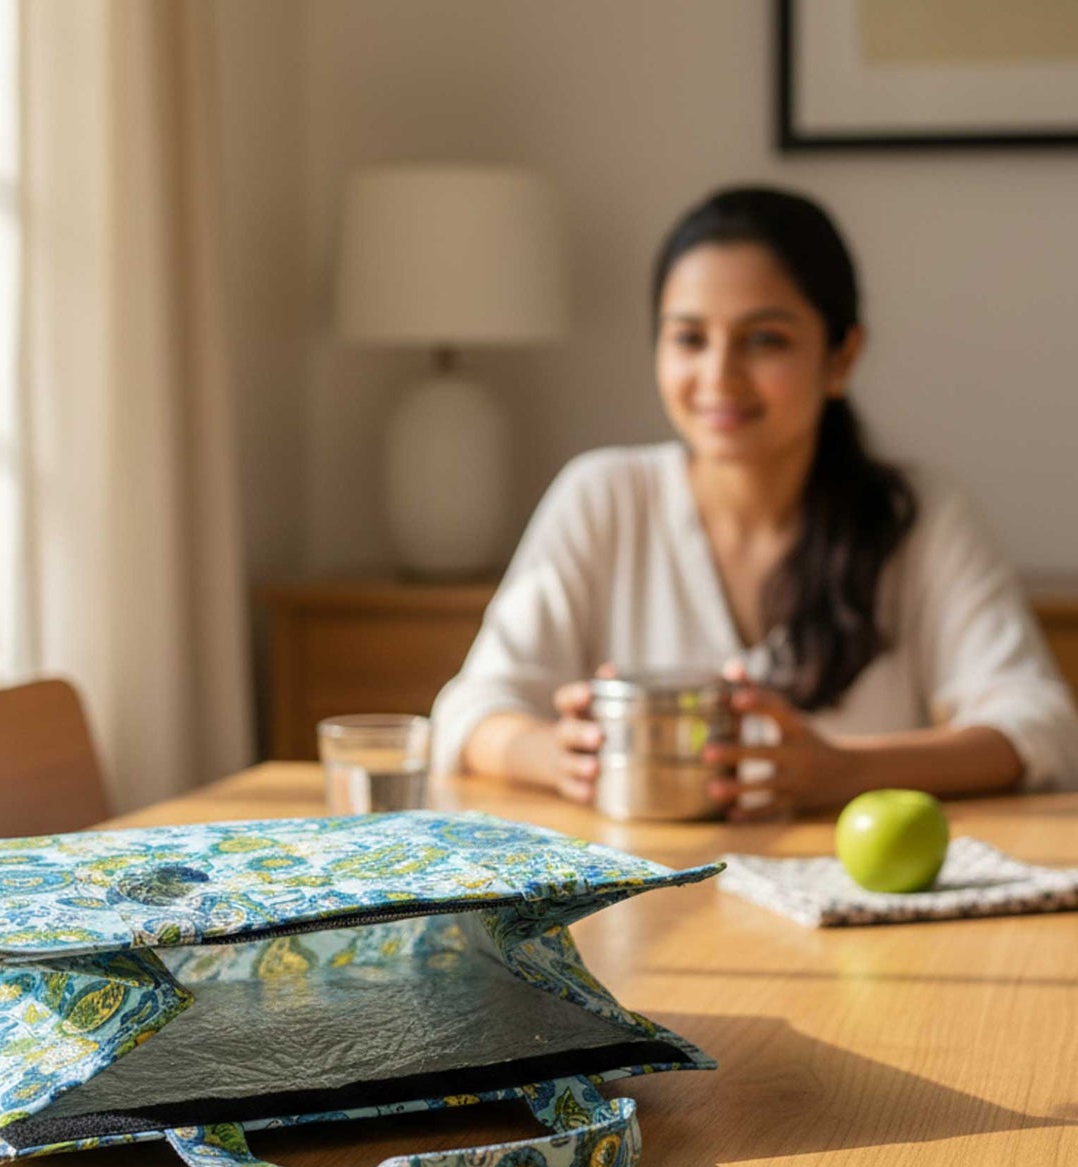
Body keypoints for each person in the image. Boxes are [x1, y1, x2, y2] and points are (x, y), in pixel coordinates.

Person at [431, 185, 1078, 816]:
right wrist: (554, 753)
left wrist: (844, 771)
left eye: (764, 340)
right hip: (644, 905)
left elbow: (1039, 728)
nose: (718, 378)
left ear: (841, 357)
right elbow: (467, 713)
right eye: (689, 338)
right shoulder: (602, 497)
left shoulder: (919, 515)